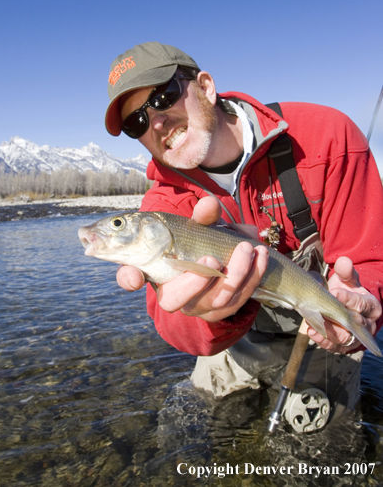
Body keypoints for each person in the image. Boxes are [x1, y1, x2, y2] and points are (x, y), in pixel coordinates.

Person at [104, 41, 383, 417]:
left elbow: (371, 259)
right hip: (233, 342)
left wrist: (363, 304)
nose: (155, 122)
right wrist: (209, 313)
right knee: (198, 424)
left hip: (319, 330)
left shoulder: (327, 136)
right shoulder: (161, 206)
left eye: (162, 96)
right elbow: (170, 321)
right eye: (135, 122)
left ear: (205, 86)